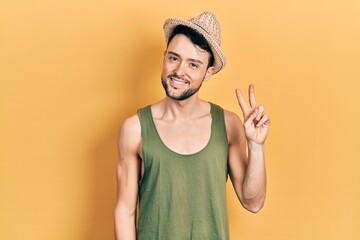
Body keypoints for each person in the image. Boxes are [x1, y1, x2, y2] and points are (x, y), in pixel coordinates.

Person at [114, 11, 270, 240]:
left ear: (208, 73)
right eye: (173, 58)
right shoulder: (135, 129)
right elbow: (125, 211)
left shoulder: (228, 125)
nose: (179, 71)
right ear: (164, 57)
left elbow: (253, 202)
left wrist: (256, 146)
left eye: (193, 64)